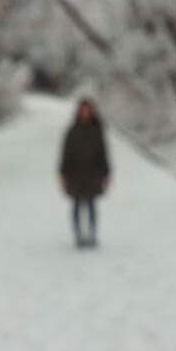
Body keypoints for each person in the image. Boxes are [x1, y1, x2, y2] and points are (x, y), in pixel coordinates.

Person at [59, 98, 111, 248]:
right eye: (83, 110)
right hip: (75, 174)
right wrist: (63, 173)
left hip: (93, 174)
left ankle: (92, 234)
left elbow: (103, 153)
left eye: (87, 110)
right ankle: (78, 235)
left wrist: (106, 172)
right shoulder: (72, 131)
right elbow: (65, 153)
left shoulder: (97, 131)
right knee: (76, 205)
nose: (85, 112)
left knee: (91, 205)